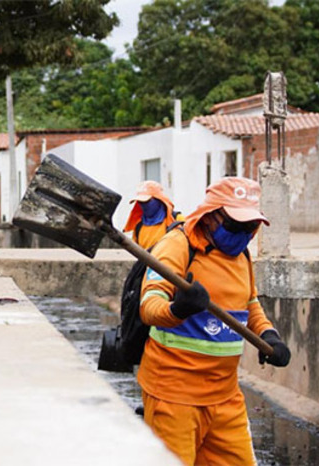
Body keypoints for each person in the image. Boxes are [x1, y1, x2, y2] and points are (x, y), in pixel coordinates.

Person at [138, 177, 291, 465]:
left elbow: (249, 303)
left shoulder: (241, 255)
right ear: (210, 216)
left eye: (250, 226)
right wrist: (178, 309)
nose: (244, 232)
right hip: (174, 395)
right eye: (235, 224)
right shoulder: (178, 245)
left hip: (225, 396)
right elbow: (149, 305)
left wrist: (268, 335)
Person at [123, 180, 184, 250]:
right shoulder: (138, 226)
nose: (143, 205)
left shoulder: (176, 220)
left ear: (158, 200)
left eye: (147, 201)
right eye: (140, 202)